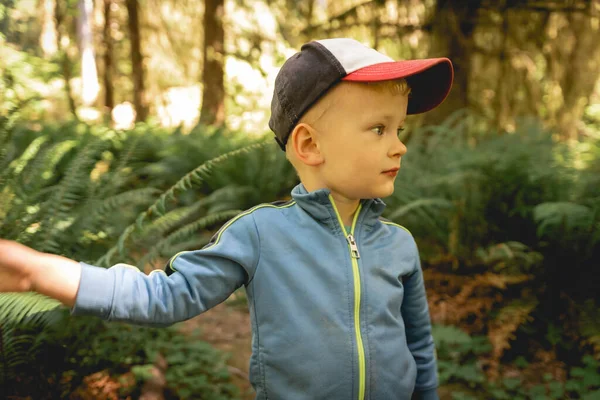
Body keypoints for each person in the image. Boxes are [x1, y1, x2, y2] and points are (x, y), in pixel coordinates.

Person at [0, 38, 453, 400]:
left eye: (399, 130)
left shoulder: (399, 245)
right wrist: (38, 273)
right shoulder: (260, 235)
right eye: (379, 129)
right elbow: (164, 297)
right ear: (309, 145)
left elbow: (419, 350)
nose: (399, 146)